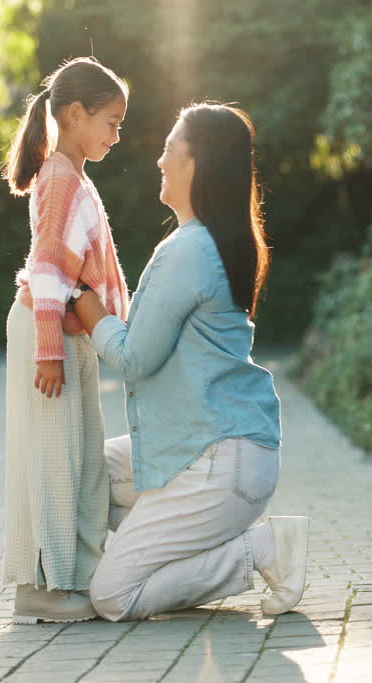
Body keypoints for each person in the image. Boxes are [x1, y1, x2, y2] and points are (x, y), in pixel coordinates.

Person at [72, 103, 309, 622]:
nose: (159, 161)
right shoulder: (204, 244)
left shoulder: (190, 249)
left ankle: (261, 550)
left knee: (113, 596)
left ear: (197, 162)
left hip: (217, 463)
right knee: (79, 471)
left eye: (169, 150)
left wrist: (85, 308)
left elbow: (135, 355)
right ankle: (183, 545)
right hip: (203, 451)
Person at [0, 57, 130, 624]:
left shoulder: (74, 177)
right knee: (56, 459)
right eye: (111, 122)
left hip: (64, 332)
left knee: (81, 461)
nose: (115, 135)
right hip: (45, 331)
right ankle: (45, 589)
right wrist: (49, 350)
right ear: (76, 114)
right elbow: (49, 267)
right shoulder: (58, 177)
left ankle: (78, 576)